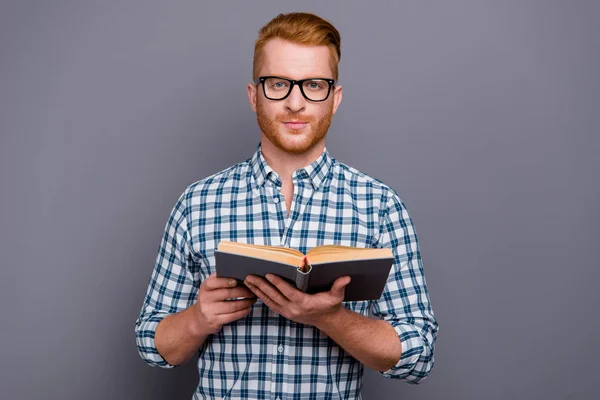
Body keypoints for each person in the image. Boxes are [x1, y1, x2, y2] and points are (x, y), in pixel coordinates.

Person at [135, 12, 438, 399]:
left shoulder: (379, 206)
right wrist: (198, 318)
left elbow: (418, 355)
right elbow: (152, 345)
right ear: (253, 94)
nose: (295, 103)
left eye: (313, 85)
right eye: (278, 84)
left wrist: (331, 318)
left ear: (335, 97)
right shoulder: (198, 203)